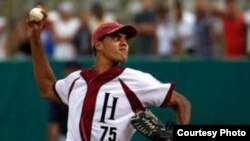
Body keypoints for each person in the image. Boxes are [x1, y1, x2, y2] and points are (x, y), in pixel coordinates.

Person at [27, 8, 191, 141]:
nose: (124, 42)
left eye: (126, 39)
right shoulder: (77, 79)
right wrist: (35, 40)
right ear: (99, 45)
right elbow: (48, 88)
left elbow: (181, 102)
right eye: (116, 37)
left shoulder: (135, 81)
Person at [48, 61, 82, 141]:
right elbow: (54, 124)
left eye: (76, 69)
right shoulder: (61, 92)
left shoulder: (87, 90)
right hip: (66, 136)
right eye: (71, 69)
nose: (73, 72)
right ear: (65, 71)